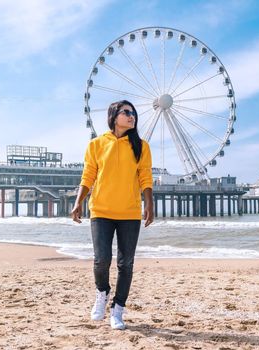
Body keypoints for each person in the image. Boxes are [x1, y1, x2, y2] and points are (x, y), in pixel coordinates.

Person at [71, 100, 154, 330]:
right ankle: (102, 292)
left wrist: (149, 204)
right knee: (101, 260)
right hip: (101, 211)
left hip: (129, 213)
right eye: (126, 112)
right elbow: (87, 176)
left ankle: (118, 310)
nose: (132, 116)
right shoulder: (96, 145)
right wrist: (78, 202)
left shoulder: (141, 146)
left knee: (126, 264)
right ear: (113, 116)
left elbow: (145, 177)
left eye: (133, 113)